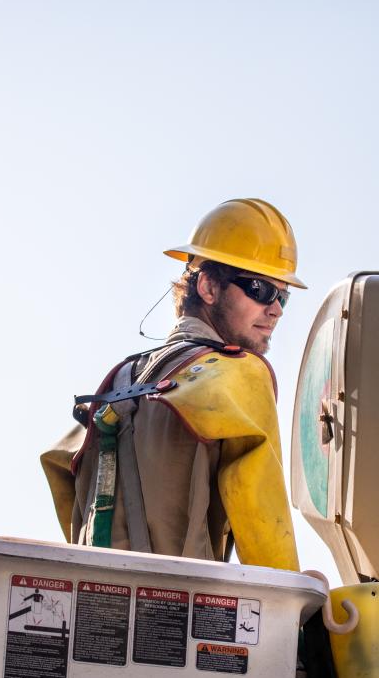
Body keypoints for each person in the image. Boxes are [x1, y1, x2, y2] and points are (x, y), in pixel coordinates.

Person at [40, 198, 305, 571]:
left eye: (283, 296)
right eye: (260, 289)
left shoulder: (120, 379)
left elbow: (58, 463)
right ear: (209, 287)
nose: (275, 308)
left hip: (94, 610)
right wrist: (292, 605)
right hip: (185, 617)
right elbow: (262, 516)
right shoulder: (239, 373)